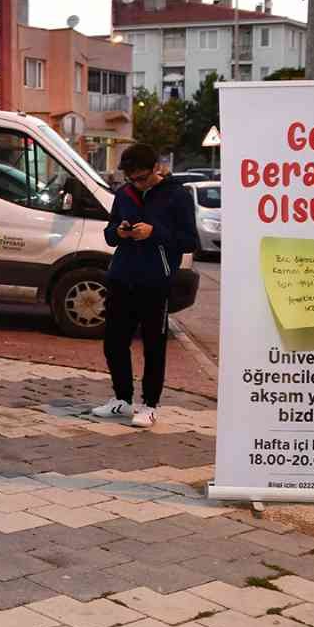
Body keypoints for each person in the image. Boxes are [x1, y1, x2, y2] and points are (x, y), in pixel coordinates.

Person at [92, 143, 198, 429]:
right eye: (131, 179)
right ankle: (122, 399)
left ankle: (149, 405)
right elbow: (109, 235)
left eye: (141, 178)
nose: (136, 184)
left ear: (156, 169)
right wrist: (120, 231)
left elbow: (189, 241)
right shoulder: (124, 194)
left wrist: (155, 233)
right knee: (114, 342)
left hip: (155, 281)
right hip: (121, 277)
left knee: (153, 346)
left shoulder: (177, 195)